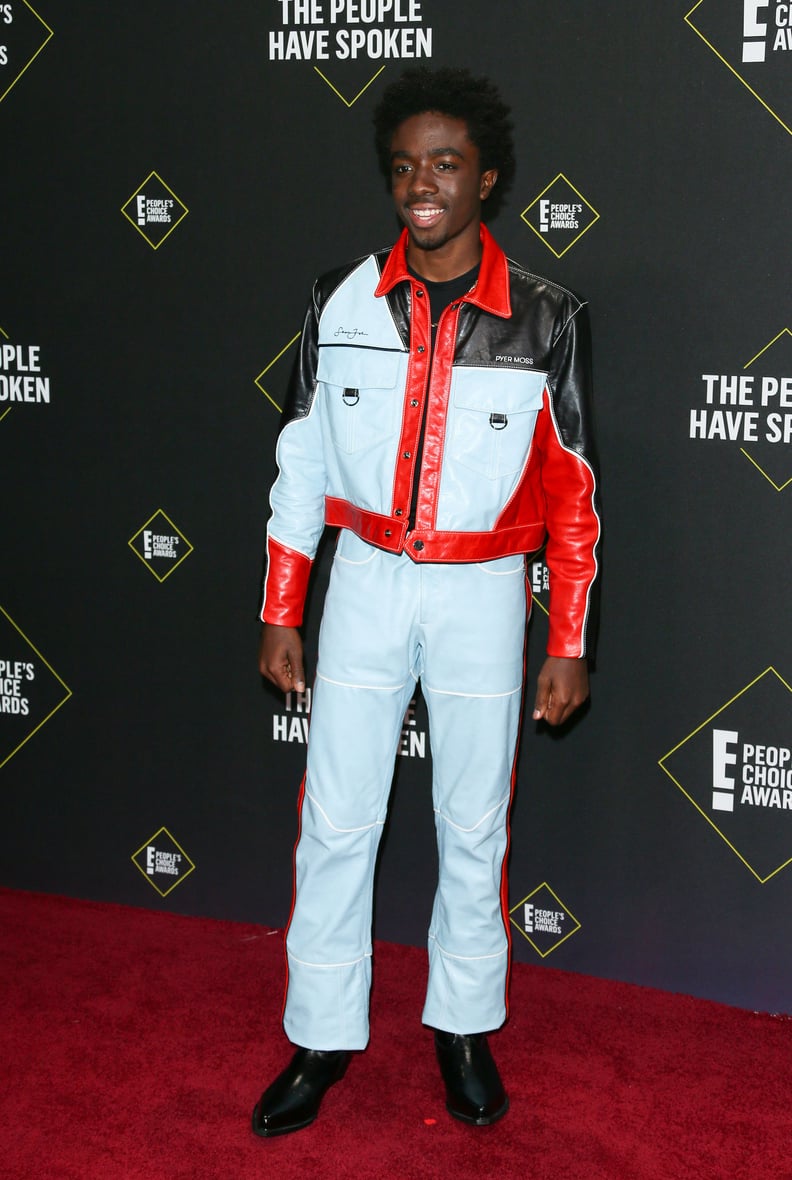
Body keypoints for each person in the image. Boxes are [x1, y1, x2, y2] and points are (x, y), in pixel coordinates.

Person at [253, 65, 601, 1137]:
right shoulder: (337, 299)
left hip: (487, 593)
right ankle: (319, 1031)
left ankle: (462, 1025)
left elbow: (572, 494)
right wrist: (281, 605)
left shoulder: (549, 317)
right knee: (338, 818)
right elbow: (302, 463)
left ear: (486, 178)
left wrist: (569, 636)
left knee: (471, 822)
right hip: (361, 583)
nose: (423, 184)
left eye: (445, 163)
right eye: (405, 165)